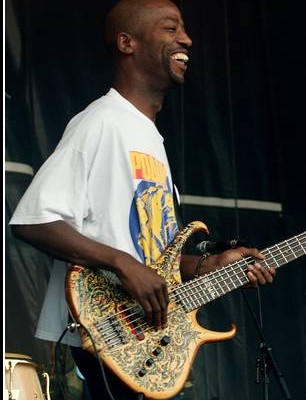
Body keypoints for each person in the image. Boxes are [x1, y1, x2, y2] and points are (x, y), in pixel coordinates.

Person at [9, 0, 276, 399]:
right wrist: (121, 263)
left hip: (144, 349)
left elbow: (150, 258)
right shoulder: (101, 123)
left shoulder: (152, 142)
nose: (186, 38)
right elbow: (33, 221)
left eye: (183, 28)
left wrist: (209, 265)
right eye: (171, 28)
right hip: (98, 345)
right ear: (127, 42)